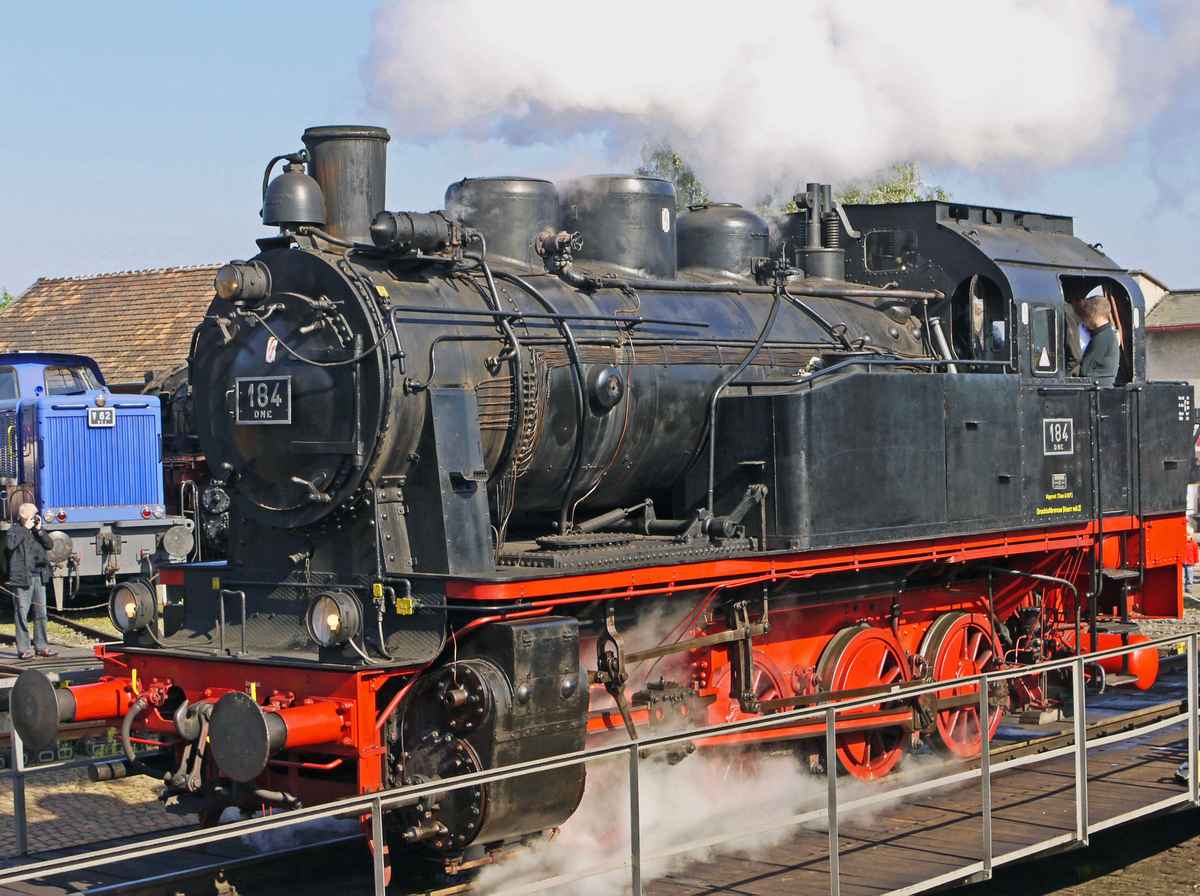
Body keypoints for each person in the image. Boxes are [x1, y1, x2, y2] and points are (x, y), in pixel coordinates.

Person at [7, 502, 57, 659]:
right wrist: (25, 529)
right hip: (22, 578)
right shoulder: (14, 530)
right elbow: (10, 545)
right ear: (24, 517)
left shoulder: (37, 531)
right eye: (32, 515)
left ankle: (41, 646)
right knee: (21, 613)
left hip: (39, 576)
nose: (35, 518)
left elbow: (49, 545)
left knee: (41, 613)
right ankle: (24, 648)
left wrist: (39, 530)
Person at [1067, 289, 1120, 387]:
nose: (1084, 322)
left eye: (1086, 317)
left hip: (1097, 387)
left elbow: (1085, 369)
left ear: (1093, 315)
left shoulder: (1102, 337)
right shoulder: (1106, 334)